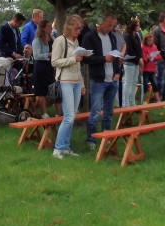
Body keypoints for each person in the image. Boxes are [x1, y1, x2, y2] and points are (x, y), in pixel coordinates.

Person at [81, 12, 121, 148]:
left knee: (109, 112)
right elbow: (86, 58)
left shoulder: (112, 36)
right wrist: (103, 59)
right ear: (101, 22)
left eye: (113, 25)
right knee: (95, 111)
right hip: (98, 80)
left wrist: (118, 72)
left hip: (112, 79)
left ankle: (107, 137)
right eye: (109, 25)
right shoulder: (90, 37)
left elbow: (116, 55)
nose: (111, 28)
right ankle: (91, 140)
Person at [51, 15, 86, 159]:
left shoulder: (76, 41)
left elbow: (78, 65)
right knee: (69, 117)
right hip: (65, 81)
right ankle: (58, 149)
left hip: (76, 81)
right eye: (77, 28)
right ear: (70, 27)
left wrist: (82, 83)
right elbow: (54, 62)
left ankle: (65, 146)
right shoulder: (60, 40)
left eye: (80, 28)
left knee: (72, 115)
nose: (79, 31)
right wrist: (73, 59)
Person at [32, 19, 58, 119]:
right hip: (41, 67)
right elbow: (36, 56)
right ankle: (44, 113)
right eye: (48, 26)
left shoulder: (52, 38)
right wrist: (49, 54)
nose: (51, 28)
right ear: (43, 28)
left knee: (54, 89)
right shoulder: (37, 41)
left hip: (51, 66)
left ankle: (57, 111)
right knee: (42, 91)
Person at [151, 12, 165, 101]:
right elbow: (153, 45)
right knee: (160, 78)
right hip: (161, 57)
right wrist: (159, 54)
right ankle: (158, 97)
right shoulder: (156, 30)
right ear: (164, 19)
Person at [122, 18, 143, 107]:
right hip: (129, 62)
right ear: (133, 26)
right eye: (137, 25)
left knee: (134, 82)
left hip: (136, 62)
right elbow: (129, 49)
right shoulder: (127, 36)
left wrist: (140, 57)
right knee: (128, 82)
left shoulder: (137, 35)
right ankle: (125, 103)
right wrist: (138, 59)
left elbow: (139, 48)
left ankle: (132, 101)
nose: (139, 27)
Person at [141, 32, 161, 103]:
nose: (150, 42)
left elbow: (158, 56)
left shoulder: (154, 46)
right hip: (145, 69)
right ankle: (142, 98)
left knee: (155, 83)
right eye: (149, 40)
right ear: (145, 40)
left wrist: (153, 57)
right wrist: (147, 58)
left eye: (151, 41)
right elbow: (143, 58)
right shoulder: (143, 47)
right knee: (145, 84)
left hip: (152, 68)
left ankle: (158, 99)